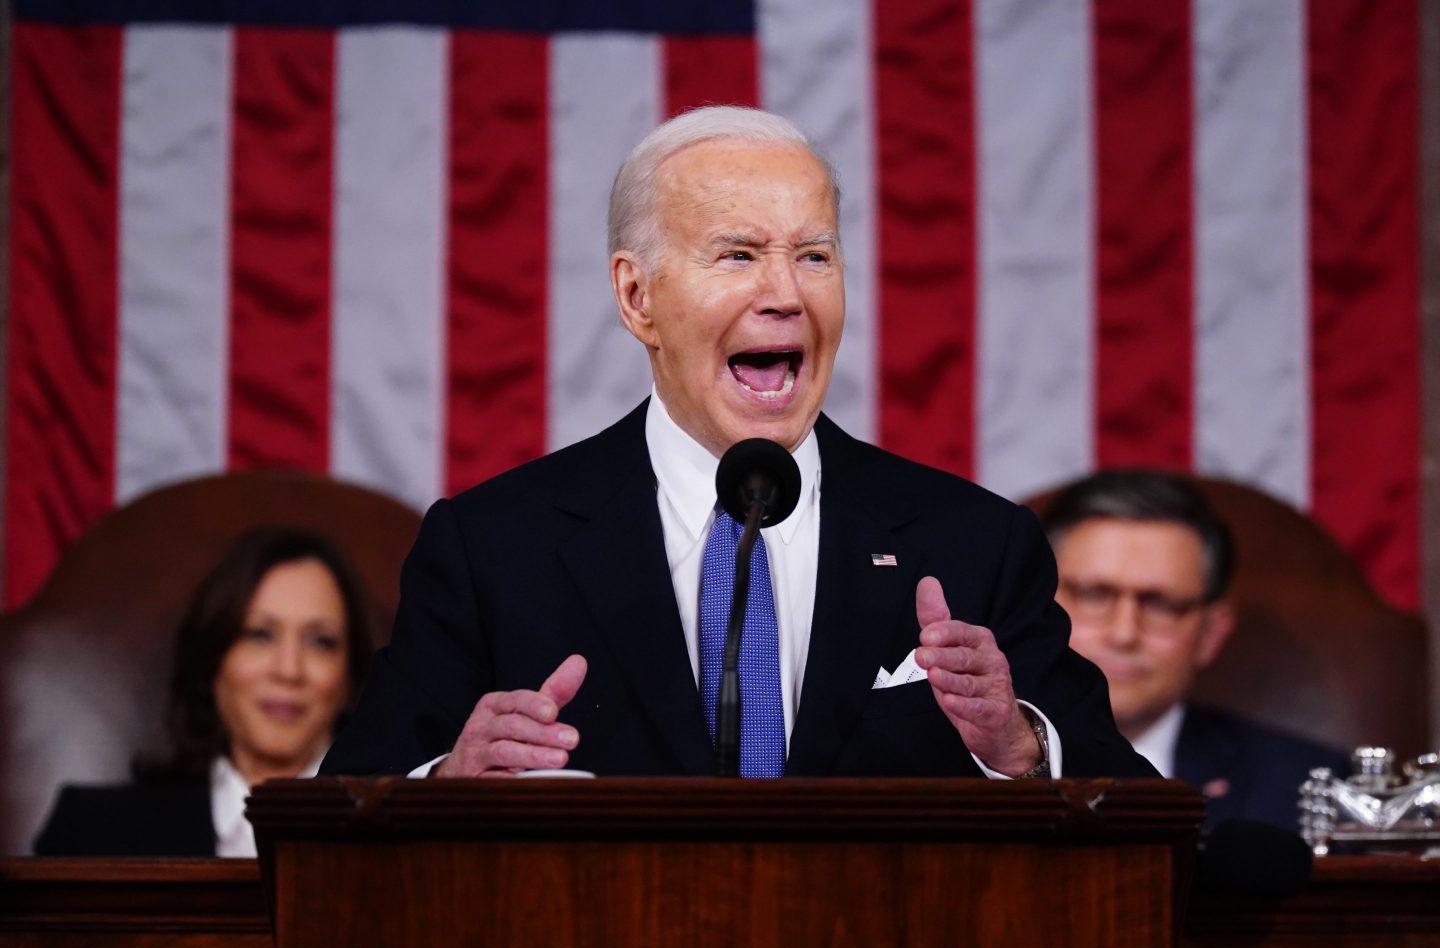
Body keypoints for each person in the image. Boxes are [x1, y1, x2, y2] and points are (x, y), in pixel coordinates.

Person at [322, 106, 1152, 782]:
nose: (785, 294)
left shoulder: (973, 543)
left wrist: (1018, 747)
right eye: (739, 254)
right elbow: (347, 815)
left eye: (814, 256)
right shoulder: (494, 546)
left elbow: (1136, 815)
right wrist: (449, 783)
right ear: (637, 295)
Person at [34, 527, 378, 856]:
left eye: (321, 642)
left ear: (350, 678)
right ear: (213, 662)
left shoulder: (397, 839)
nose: (289, 670)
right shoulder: (92, 833)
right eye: (260, 634)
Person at [1038, 470, 1349, 831]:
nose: (1124, 634)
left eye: (1161, 604)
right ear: (1039, 610)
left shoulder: (1303, 788)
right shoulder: (963, 764)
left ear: (1211, 634)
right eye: (1094, 595)